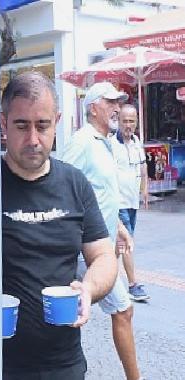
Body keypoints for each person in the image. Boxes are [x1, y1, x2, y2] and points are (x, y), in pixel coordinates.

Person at [0, 71, 117, 379]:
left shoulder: (75, 184)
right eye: (21, 125)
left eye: (42, 125)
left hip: (64, 365)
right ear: (4, 124)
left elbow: (104, 257)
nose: (33, 139)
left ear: (56, 121)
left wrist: (88, 289)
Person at [62, 81, 140, 380]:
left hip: (103, 247)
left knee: (71, 310)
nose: (117, 108)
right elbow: (61, 185)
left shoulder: (107, 141)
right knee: (122, 309)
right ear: (93, 107)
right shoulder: (82, 142)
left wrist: (118, 226)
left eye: (118, 102)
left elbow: (102, 193)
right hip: (86, 249)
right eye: (110, 102)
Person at [115, 104, 150, 301]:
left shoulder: (137, 142)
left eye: (132, 121)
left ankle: (104, 275)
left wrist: (144, 189)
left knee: (118, 244)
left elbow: (143, 166)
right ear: (119, 122)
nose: (128, 125)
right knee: (127, 241)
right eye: (125, 121)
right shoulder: (112, 144)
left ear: (136, 123)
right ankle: (133, 284)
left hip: (132, 202)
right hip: (118, 202)